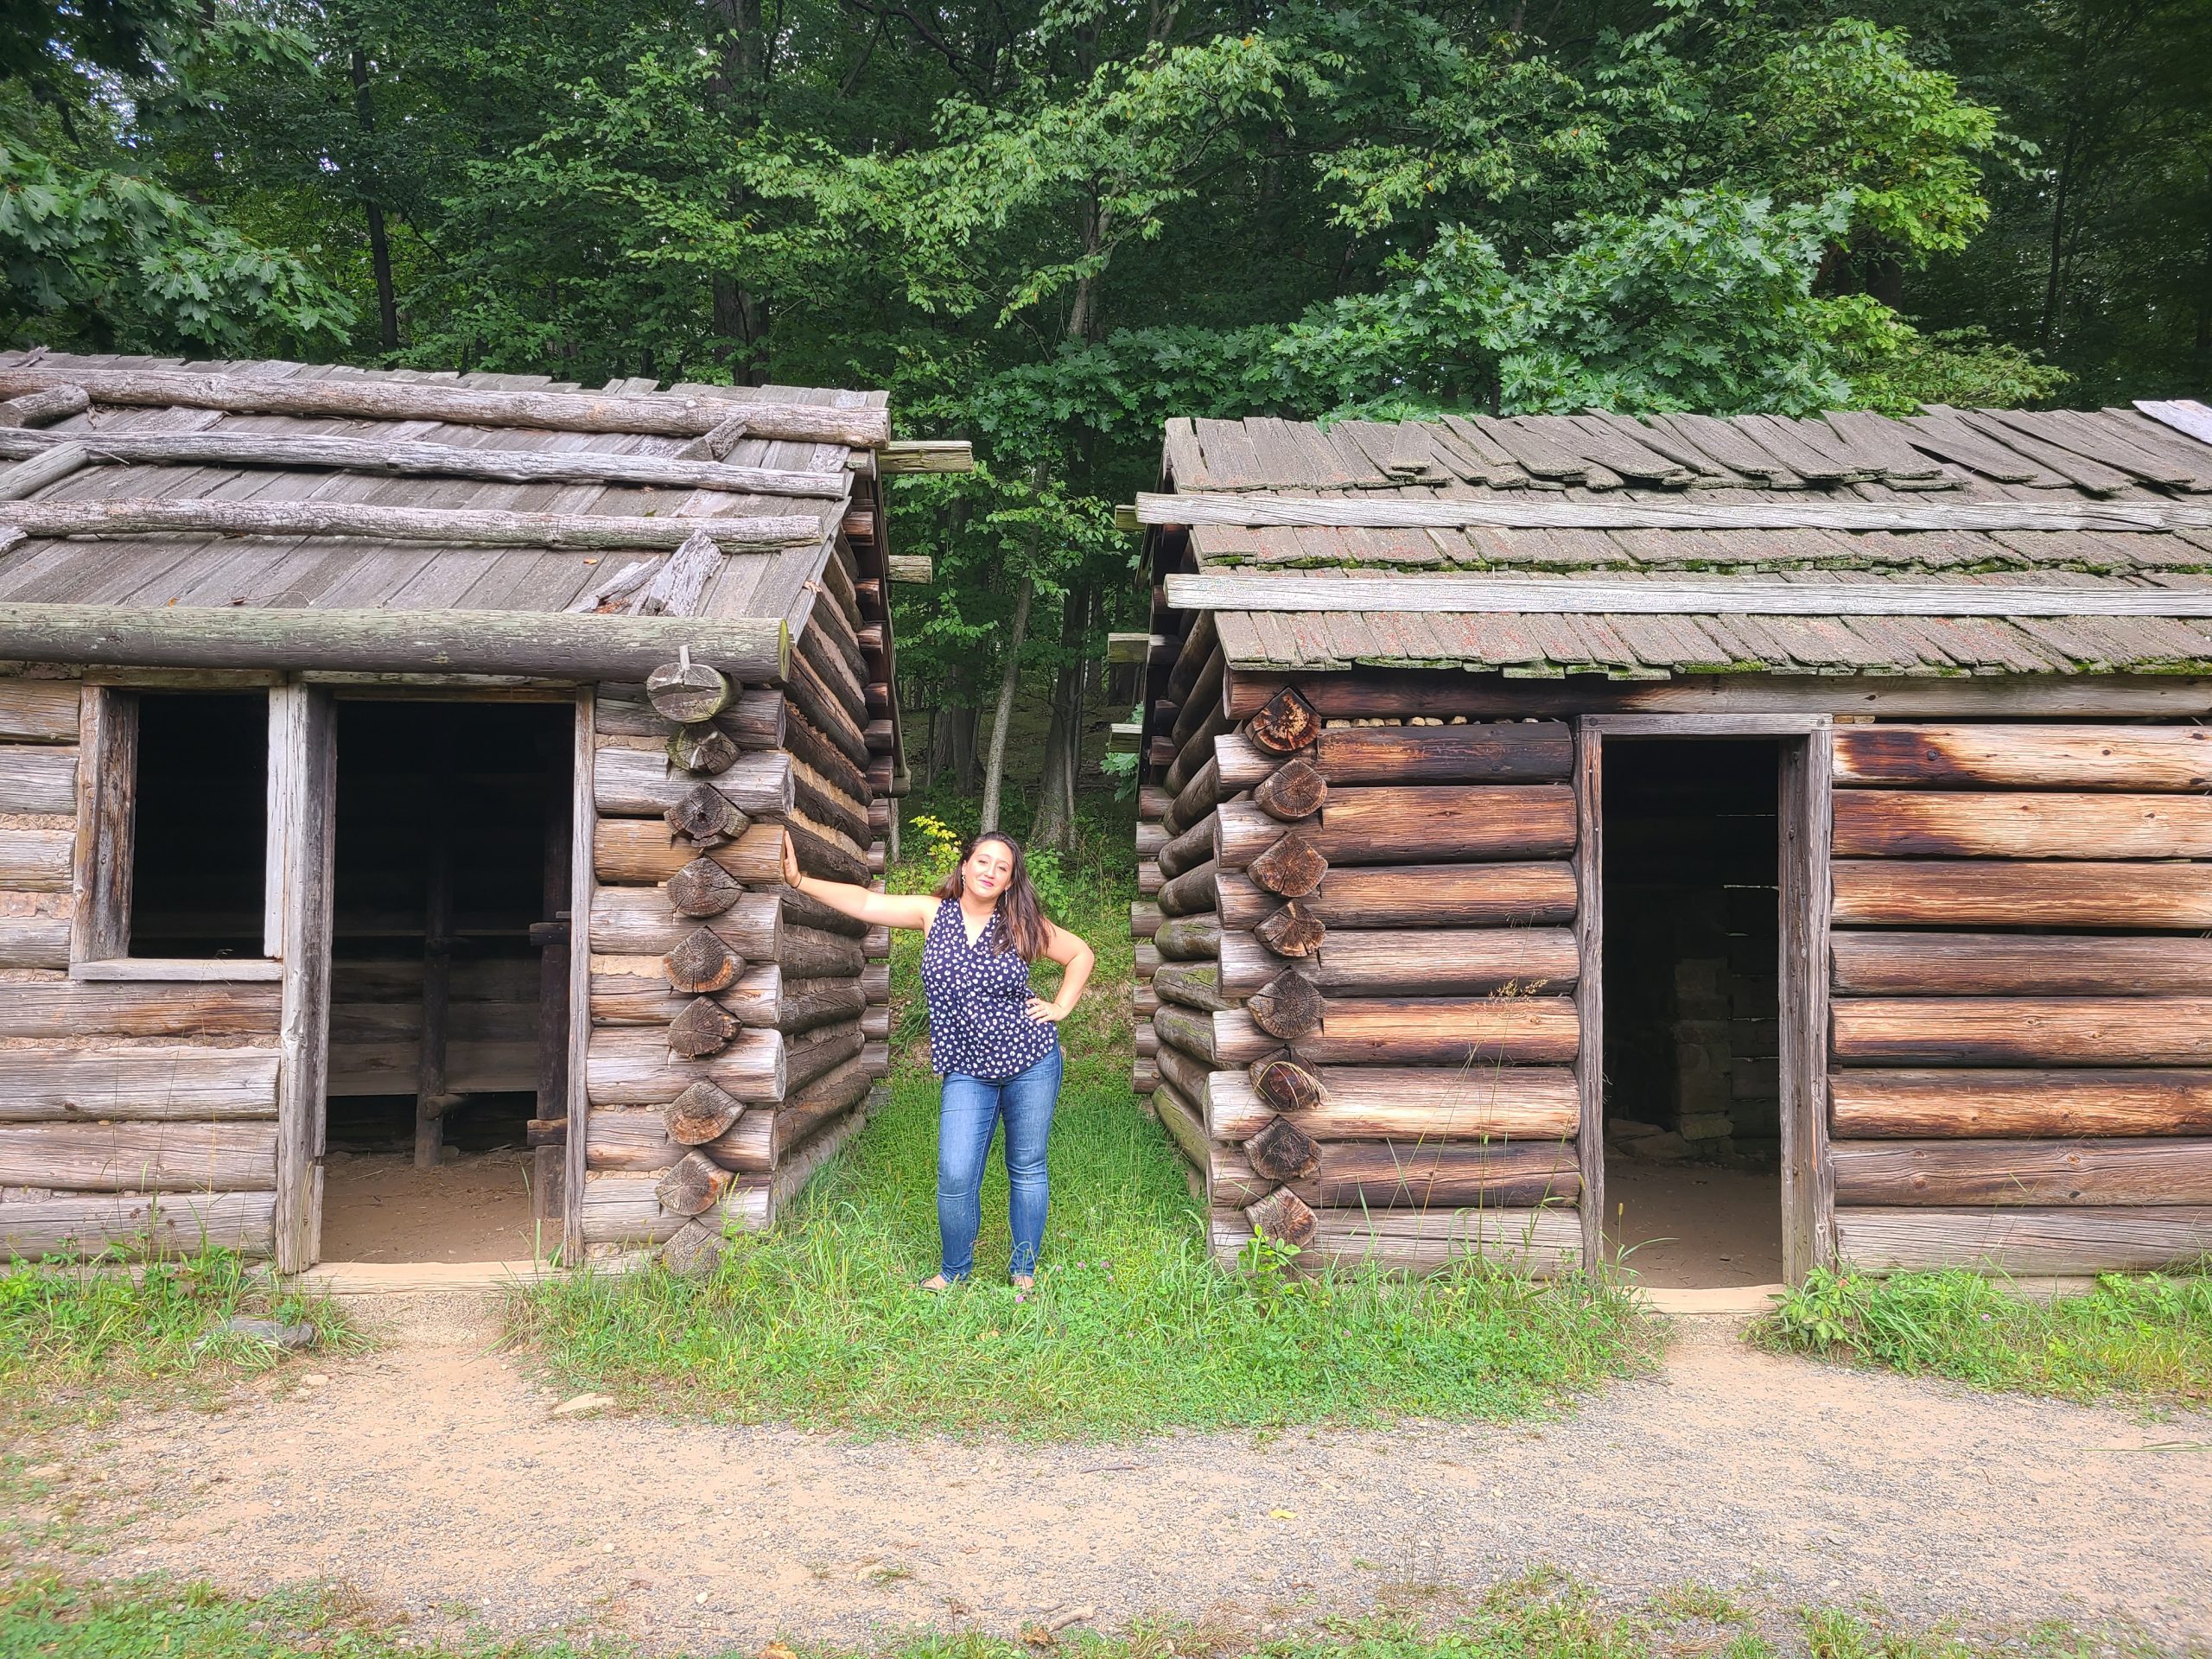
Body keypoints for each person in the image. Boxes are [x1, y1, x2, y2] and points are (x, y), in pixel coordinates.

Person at [781, 830, 1096, 1289]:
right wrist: (799, 880)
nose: (989, 871)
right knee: (955, 1171)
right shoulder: (933, 913)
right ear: (964, 866)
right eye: (982, 861)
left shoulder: (1021, 923)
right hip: (967, 1069)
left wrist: (1061, 1006)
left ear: (1009, 881)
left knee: (1027, 1166)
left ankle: (1024, 1270)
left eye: (1001, 867)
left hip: (1031, 1061)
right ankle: (953, 1272)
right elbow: (867, 905)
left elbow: (1080, 954)